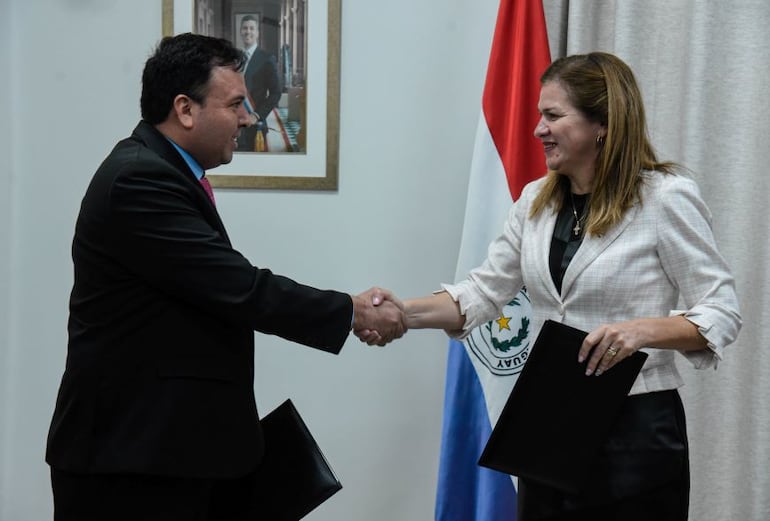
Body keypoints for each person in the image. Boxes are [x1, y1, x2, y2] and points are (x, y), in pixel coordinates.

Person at [363, 52, 742, 520]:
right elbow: (482, 293)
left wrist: (641, 331)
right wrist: (404, 313)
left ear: (602, 123)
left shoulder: (664, 198)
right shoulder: (533, 201)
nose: (538, 129)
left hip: (634, 433)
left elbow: (722, 309)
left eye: (553, 115)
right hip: (546, 426)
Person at [46, 33, 404, 521]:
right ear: (185, 109)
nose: (247, 118)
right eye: (236, 104)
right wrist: (351, 311)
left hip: (168, 453)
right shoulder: (138, 179)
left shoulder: (161, 170)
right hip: (130, 466)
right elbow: (240, 288)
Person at [236, 14, 282, 152]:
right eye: (244, 28)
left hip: (253, 124)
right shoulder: (235, 58)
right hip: (234, 122)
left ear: (257, 33)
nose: (248, 31)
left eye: (251, 28)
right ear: (240, 32)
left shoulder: (267, 58)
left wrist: (256, 115)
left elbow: (276, 93)